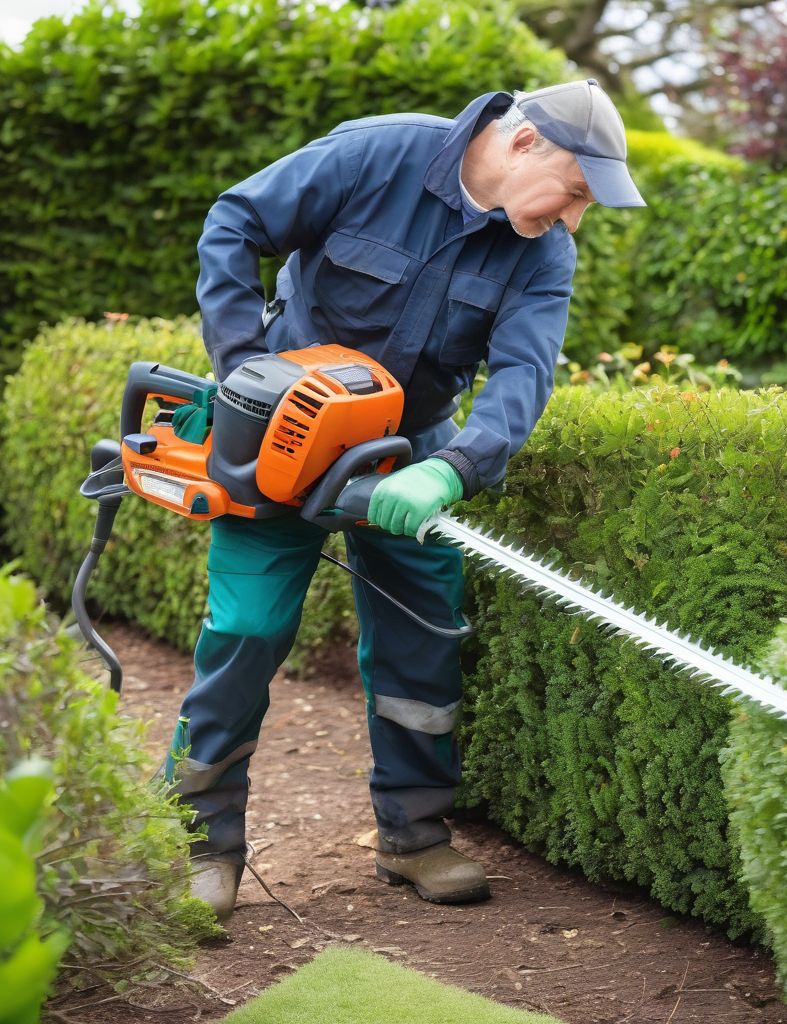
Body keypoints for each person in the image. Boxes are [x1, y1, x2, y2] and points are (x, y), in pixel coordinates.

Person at [169, 79, 645, 920]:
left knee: (423, 635)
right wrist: (245, 370)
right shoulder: (376, 154)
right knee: (244, 630)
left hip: (409, 449)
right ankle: (201, 840)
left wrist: (456, 466)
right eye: (576, 192)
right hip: (282, 433)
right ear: (525, 142)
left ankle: (415, 837)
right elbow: (233, 221)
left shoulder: (543, 250)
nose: (574, 218)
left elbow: (524, 374)